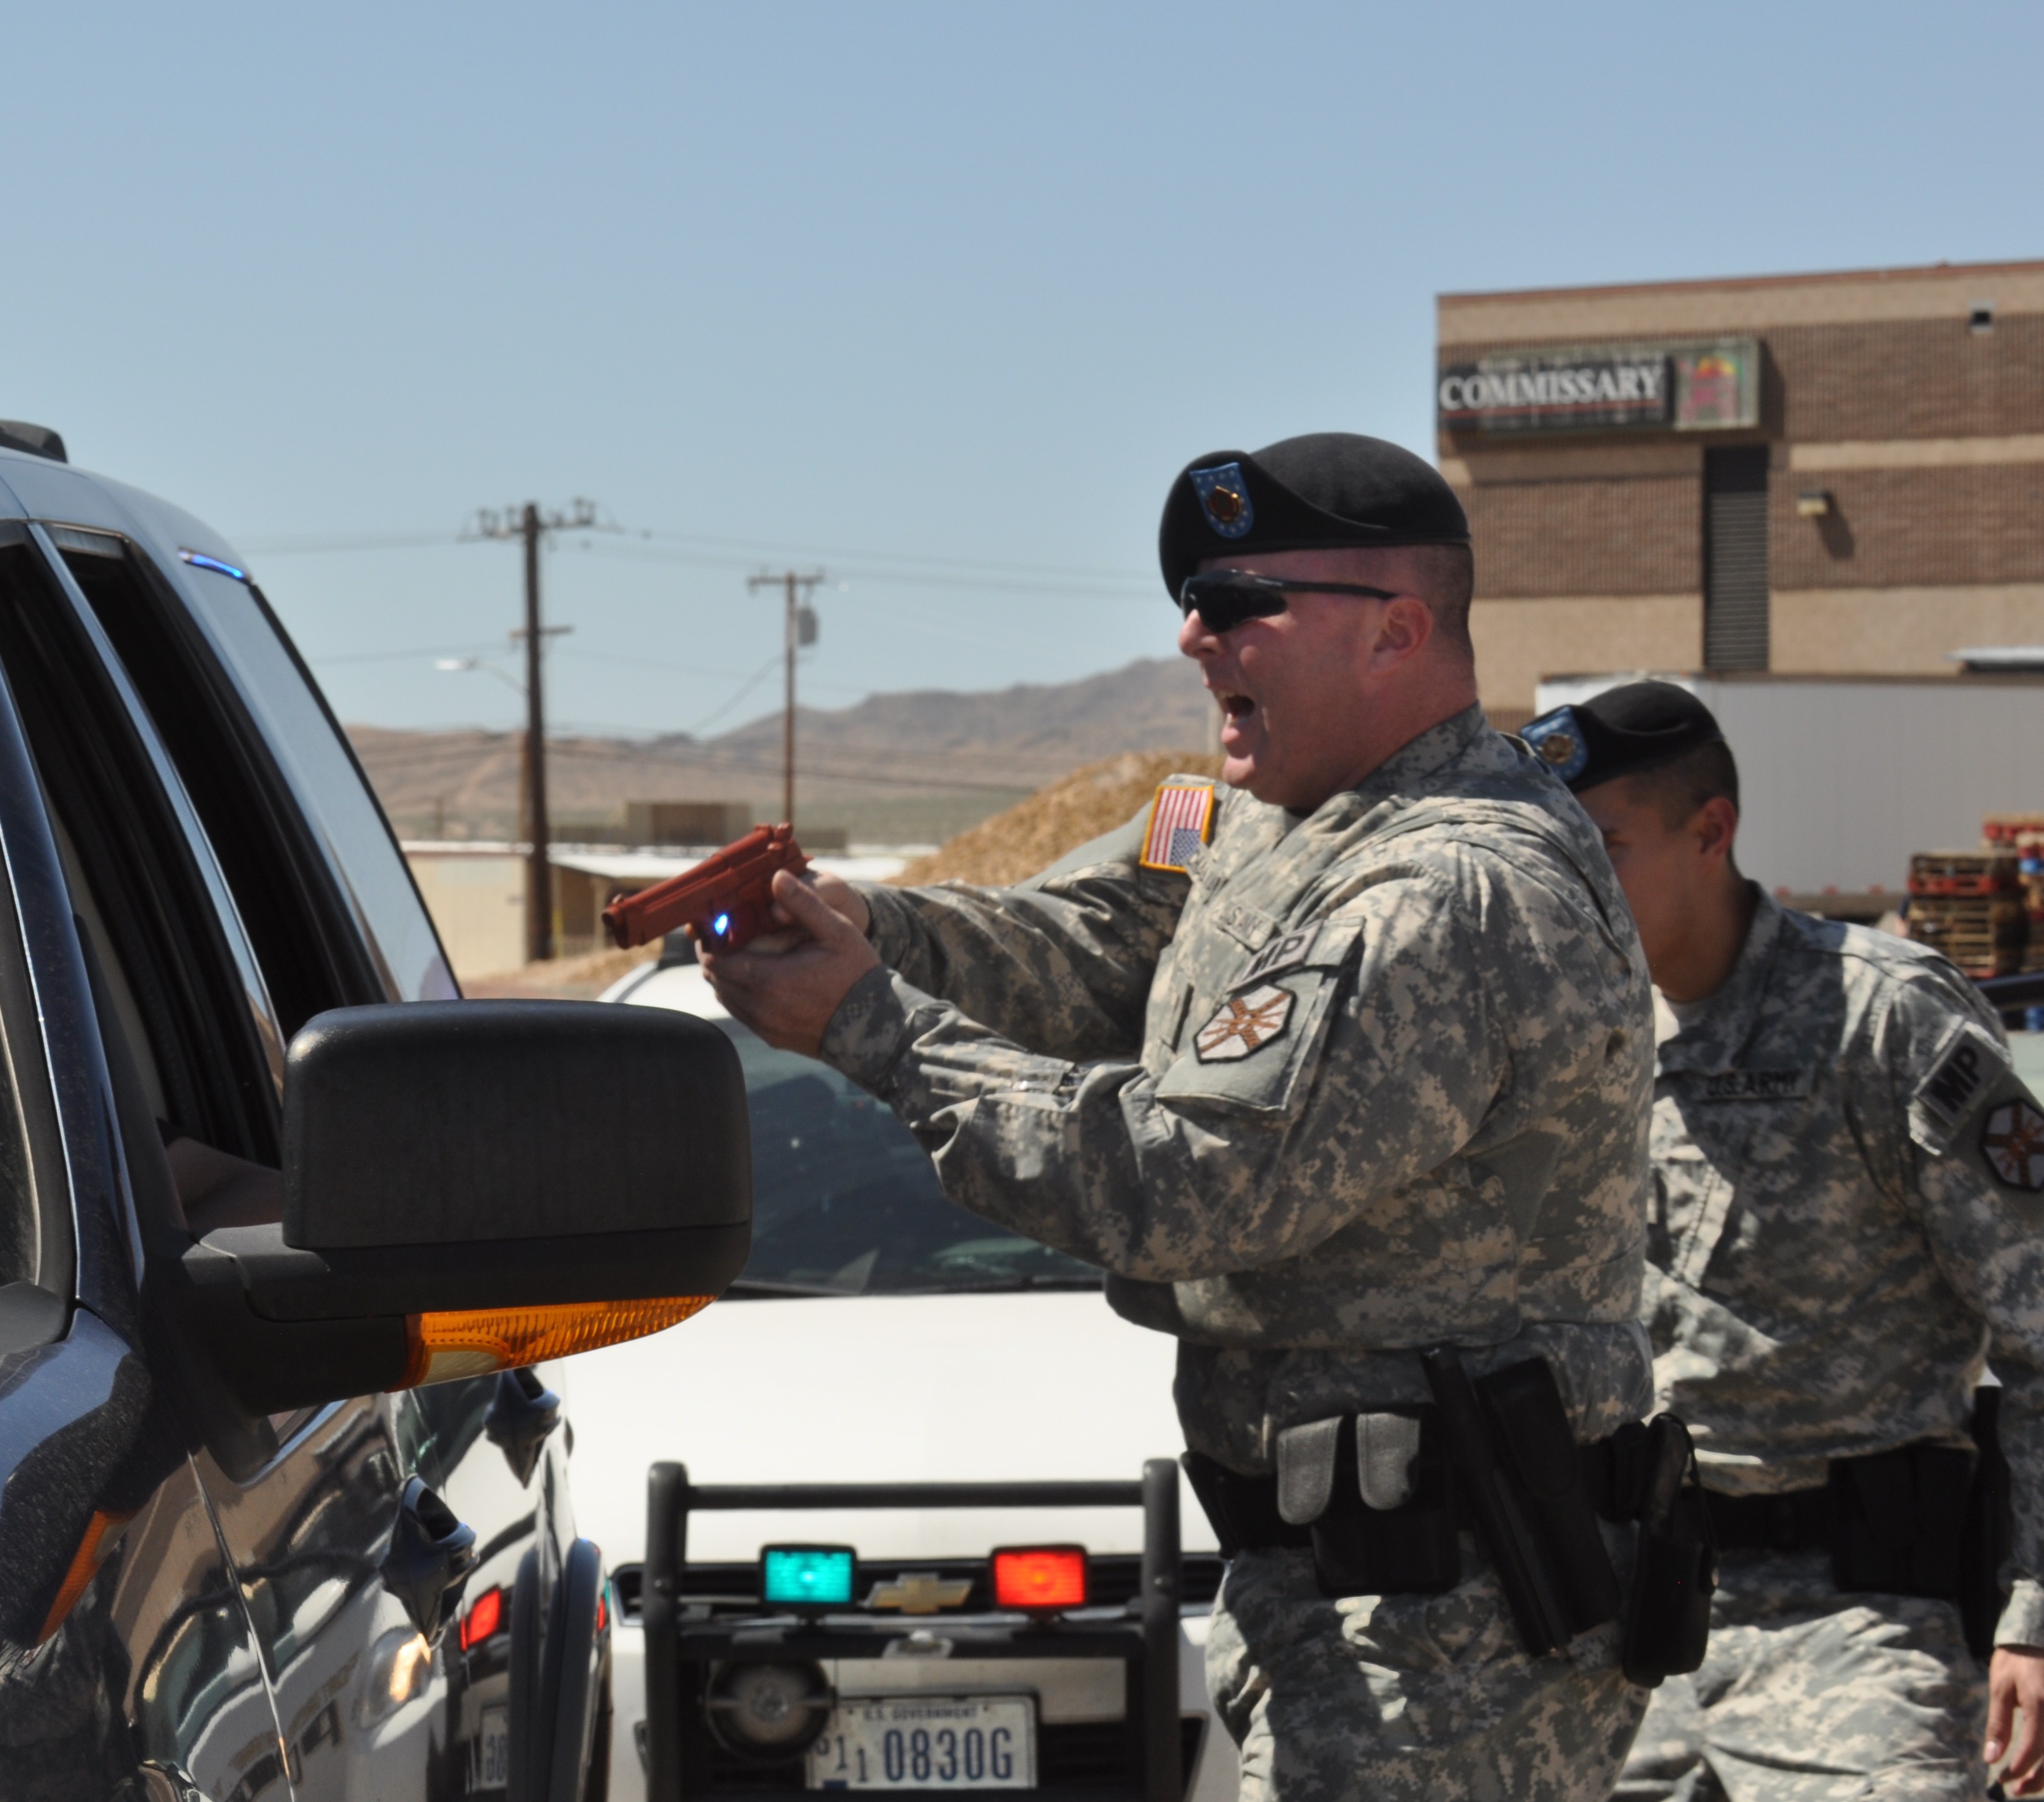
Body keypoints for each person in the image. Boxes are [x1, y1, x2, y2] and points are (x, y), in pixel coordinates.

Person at [705, 433, 1659, 1801]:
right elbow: (1101, 940)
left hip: (1442, 1626)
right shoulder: (1272, 819)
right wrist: (874, 927)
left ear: (1395, 631)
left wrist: (871, 1023)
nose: (1192, 638)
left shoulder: (1441, 891)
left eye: (1239, 605)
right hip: (1327, 1585)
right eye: (1193, 599)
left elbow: (1178, 1183)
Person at [1530, 681, 2044, 1801]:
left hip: (1855, 1619)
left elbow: (2041, 1325)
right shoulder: (1559, 1034)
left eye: (1602, 845)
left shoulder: (1882, 1015)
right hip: (1618, 1619)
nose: (1568, 884)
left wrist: (2035, 1613)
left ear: (1709, 830)